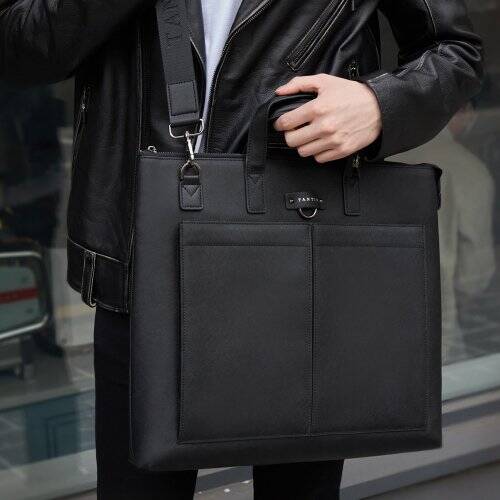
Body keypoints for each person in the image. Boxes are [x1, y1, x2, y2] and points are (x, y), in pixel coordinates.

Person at [0, 0, 483, 498]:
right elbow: (21, 47)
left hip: (303, 245)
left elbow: (454, 49)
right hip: (143, 262)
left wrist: (380, 105)